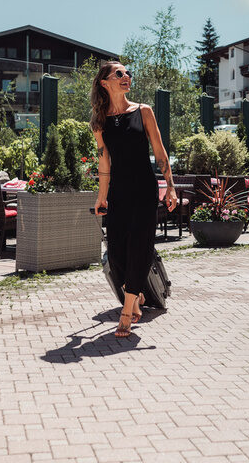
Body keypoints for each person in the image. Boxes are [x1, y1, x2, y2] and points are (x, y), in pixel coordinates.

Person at [90, 61, 177, 337]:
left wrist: (170, 187)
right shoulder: (100, 122)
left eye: (128, 73)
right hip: (118, 191)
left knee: (140, 245)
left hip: (143, 189)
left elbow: (160, 153)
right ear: (105, 82)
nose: (126, 76)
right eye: (119, 74)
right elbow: (104, 163)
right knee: (116, 253)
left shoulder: (144, 112)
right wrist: (101, 197)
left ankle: (126, 312)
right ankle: (135, 295)